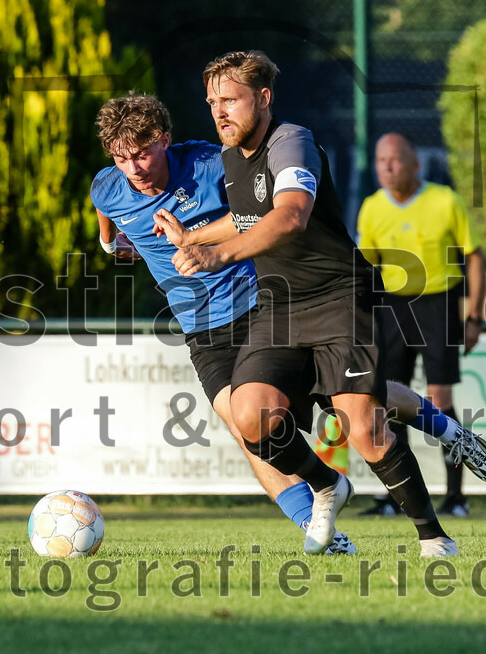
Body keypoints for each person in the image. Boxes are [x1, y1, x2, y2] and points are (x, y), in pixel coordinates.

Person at [156, 51, 486, 557]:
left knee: (360, 424)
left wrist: (216, 254)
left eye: (230, 99)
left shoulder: (291, 142)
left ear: (264, 97)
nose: (219, 112)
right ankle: (327, 484)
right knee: (248, 414)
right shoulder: (232, 158)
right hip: (280, 306)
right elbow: (248, 217)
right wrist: (193, 236)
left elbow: (291, 215)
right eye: (212, 102)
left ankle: (433, 536)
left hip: (339, 295)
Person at [90, 93, 356, 554]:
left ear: (164, 140)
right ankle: (324, 520)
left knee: (342, 400)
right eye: (120, 156)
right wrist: (114, 246)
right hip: (202, 327)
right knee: (241, 423)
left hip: (262, 304)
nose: (131, 167)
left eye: (141, 153)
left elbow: (257, 214)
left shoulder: (211, 165)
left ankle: (438, 424)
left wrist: (198, 239)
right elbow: (107, 217)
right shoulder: (107, 187)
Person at [355, 132, 486, 518]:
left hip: (438, 304)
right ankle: (400, 497)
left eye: (395, 159)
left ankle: (456, 497)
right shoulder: (372, 207)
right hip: (392, 308)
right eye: (381, 160)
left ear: (415, 163)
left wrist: (474, 315)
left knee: (440, 400)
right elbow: (364, 270)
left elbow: (474, 257)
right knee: (390, 405)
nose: (388, 167)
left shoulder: (445, 200)